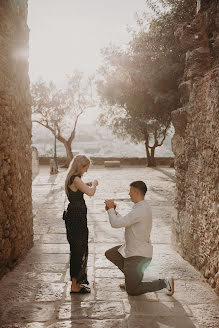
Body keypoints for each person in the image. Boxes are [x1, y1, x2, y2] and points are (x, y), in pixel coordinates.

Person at [104, 180, 174, 296]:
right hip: (132, 250)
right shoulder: (140, 207)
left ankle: (164, 283)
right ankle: (131, 278)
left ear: (136, 192)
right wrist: (114, 212)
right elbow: (125, 222)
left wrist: (111, 209)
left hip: (138, 255)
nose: (128, 194)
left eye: (130, 191)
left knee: (132, 290)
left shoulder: (141, 209)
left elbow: (115, 224)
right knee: (111, 253)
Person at [64, 154, 98, 294]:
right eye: (85, 168)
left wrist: (87, 183)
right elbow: (90, 193)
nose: (86, 171)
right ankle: (74, 285)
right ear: (80, 166)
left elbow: (79, 188)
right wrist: (94, 184)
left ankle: (76, 282)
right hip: (77, 218)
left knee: (78, 248)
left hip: (74, 216)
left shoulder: (72, 178)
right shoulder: (76, 179)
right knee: (78, 249)